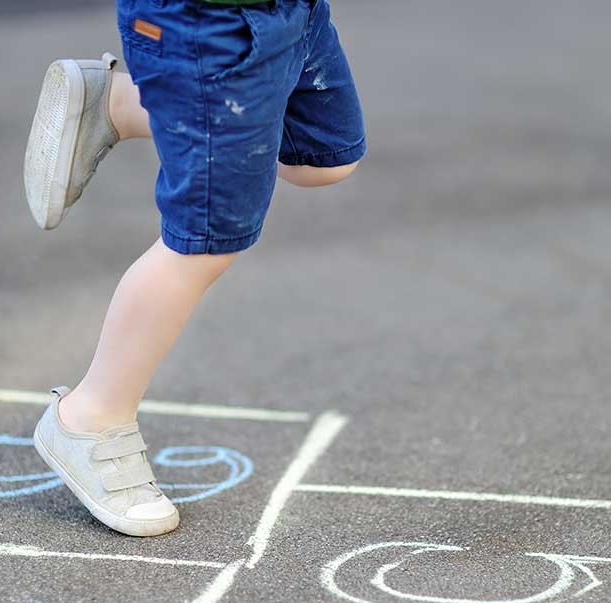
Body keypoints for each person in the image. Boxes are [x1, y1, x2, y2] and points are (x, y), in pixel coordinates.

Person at [23, 0, 365, 537]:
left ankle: (121, 102)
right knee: (205, 241)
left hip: (291, 16)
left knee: (324, 158)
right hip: (210, 31)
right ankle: (91, 414)